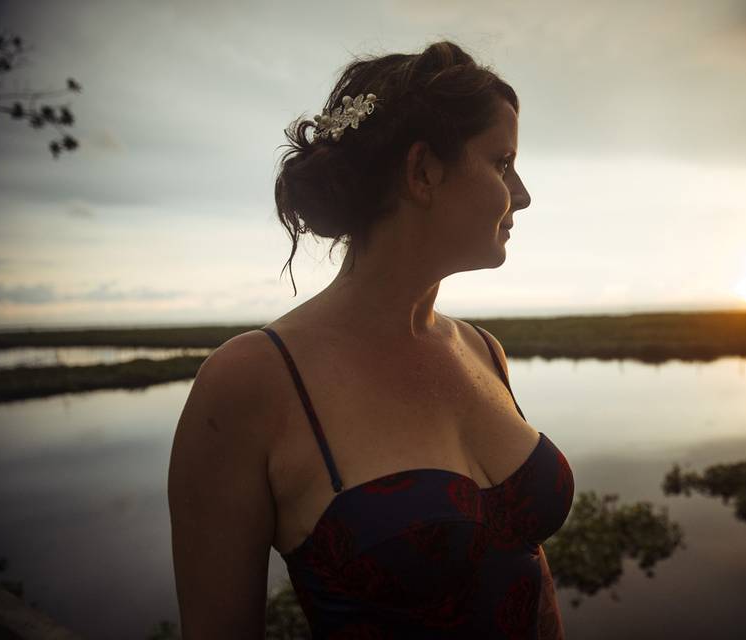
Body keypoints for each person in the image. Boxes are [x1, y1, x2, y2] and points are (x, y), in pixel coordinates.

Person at [168, 40, 574, 638]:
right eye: (502, 162)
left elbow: (524, 566)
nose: (522, 194)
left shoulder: (483, 351)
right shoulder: (252, 381)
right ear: (423, 172)